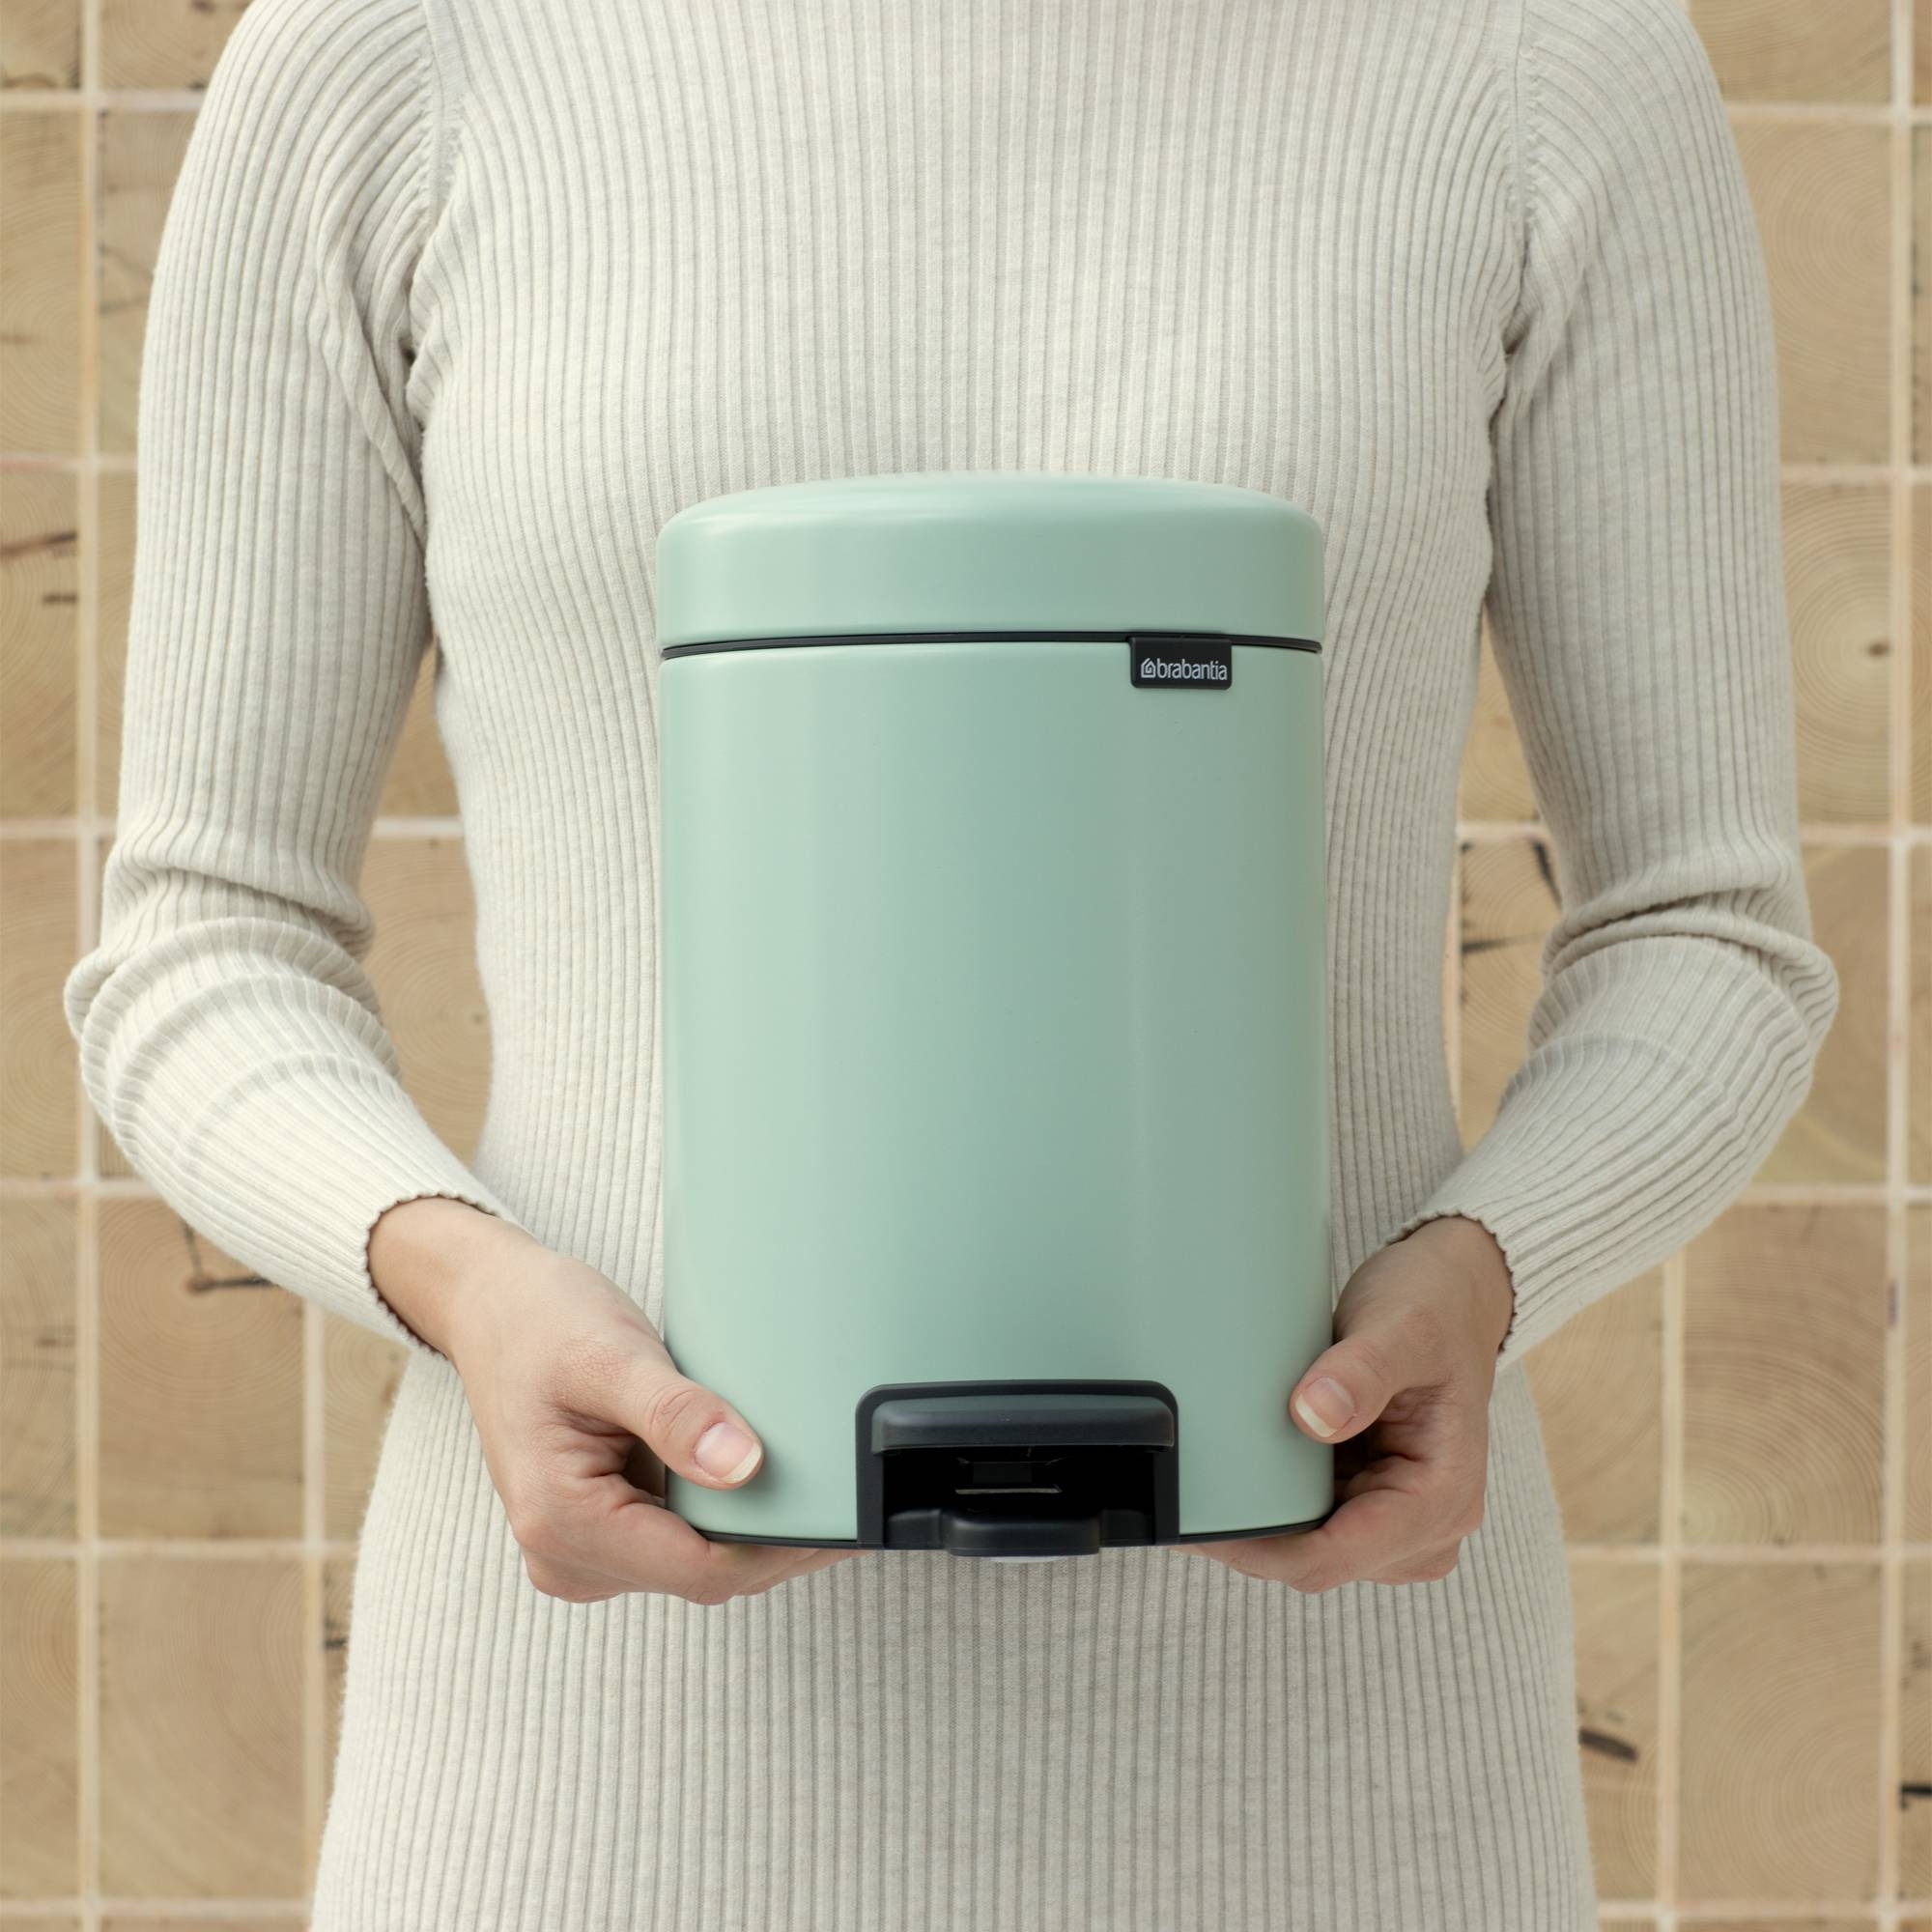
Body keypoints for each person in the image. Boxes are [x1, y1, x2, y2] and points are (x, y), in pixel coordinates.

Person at [64, 0, 1837, 1924]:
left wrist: (1484, 1275)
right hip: (586, 1789)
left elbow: (1704, 932)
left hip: (1341, 1790)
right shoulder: (396, 50)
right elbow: (204, 940)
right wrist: (464, 1280)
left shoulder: (1539, 54)